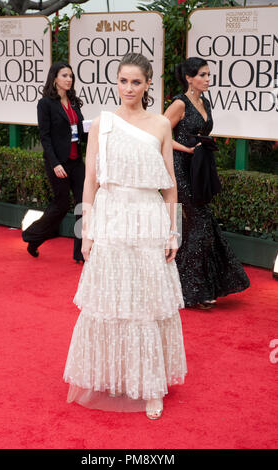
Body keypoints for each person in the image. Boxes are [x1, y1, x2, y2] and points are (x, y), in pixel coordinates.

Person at [63, 53, 187, 419]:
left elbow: (170, 186)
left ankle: (151, 387)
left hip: (148, 219)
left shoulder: (161, 125)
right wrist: (85, 229)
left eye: (136, 82)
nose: (128, 88)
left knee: (147, 303)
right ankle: (117, 374)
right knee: (112, 302)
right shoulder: (102, 123)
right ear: (115, 82)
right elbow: (89, 179)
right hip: (112, 216)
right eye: (123, 81)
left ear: (149, 84)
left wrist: (172, 232)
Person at [164, 57, 250, 309]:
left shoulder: (205, 102)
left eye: (208, 75)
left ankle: (179, 285)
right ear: (189, 78)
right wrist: (188, 149)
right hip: (181, 169)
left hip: (199, 170)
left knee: (196, 228)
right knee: (200, 225)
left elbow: (201, 133)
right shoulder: (179, 103)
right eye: (202, 75)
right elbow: (159, 136)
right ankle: (196, 290)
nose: (207, 79)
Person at [22, 62, 86, 262]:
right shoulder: (46, 104)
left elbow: (80, 129)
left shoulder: (74, 102)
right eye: (65, 75)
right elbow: (45, 137)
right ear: (55, 78)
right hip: (58, 162)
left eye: (71, 76)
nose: (69, 79)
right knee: (60, 205)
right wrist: (55, 163)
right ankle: (33, 237)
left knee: (84, 205)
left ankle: (81, 253)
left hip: (76, 161)